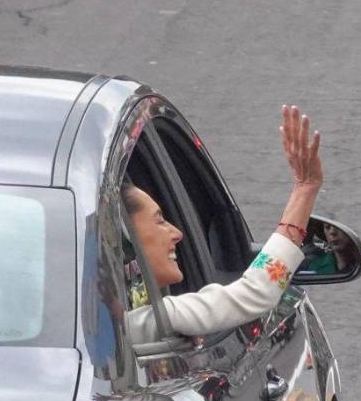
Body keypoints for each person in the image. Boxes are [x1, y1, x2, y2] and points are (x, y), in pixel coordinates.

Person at [125, 104, 324, 344]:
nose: (177, 233)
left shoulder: (94, 326)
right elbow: (258, 291)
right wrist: (305, 188)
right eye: (160, 220)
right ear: (126, 241)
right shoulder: (140, 323)